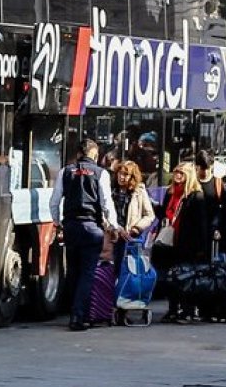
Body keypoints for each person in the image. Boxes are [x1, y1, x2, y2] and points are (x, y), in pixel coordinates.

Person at [49, 138, 121, 332]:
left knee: (73, 271)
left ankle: (77, 312)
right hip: (91, 228)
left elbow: (54, 201)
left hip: (71, 226)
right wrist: (114, 226)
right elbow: (106, 202)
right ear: (95, 155)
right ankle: (78, 316)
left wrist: (57, 223)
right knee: (87, 273)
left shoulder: (65, 172)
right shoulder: (101, 173)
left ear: (79, 154)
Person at [158, 162, 209, 323]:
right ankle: (173, 308)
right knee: (171, 275)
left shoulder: (196, 196)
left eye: (181, 173)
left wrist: (201, 247)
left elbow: (201, 223)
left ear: (189, 175)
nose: (177, 176)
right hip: (170, 241)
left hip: (188, 242)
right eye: (176, 172)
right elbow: (164, 213)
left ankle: (187, 310)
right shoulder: (170, 193)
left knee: (186, 276)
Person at [105, 160, 156, 265]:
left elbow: (149, 215)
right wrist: (114, 228)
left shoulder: (139, 191)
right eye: (120, 173)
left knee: (129, 268)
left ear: (132, 177)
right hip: (112, 235)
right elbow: (103, 212)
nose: (121, 177)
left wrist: (136, 228)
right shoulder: (110, 190)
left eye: (126, 174)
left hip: (131, 238)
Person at [195, 149, 226, 259]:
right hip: (194, 236)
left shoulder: (218, 185)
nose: (204, 172)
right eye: (201, 168)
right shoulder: (192, 184)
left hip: (214, 237)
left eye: (207, 169)